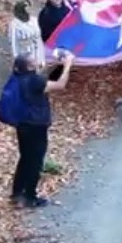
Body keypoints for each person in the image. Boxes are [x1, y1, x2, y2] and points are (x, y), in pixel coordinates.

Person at [5, 50, 75, 208]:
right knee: (35, 161)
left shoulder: (17, 77)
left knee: (25, 158)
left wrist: (54, 64)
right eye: (33, 60)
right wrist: (68, 65)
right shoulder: (35, 81)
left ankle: (17, 193)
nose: (37, 61)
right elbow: (60, 85)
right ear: (30, 66)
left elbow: (39, 77)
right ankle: (30, 196)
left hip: (22, 123)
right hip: (36, 126)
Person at [10, 0, 47, 66]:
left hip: (36, 50)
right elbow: (13, 42)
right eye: (27, 7)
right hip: (24, 51)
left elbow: (38, 38)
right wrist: (16, 57)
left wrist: (41, 56)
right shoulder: (14, 24)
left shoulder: (34, 20)